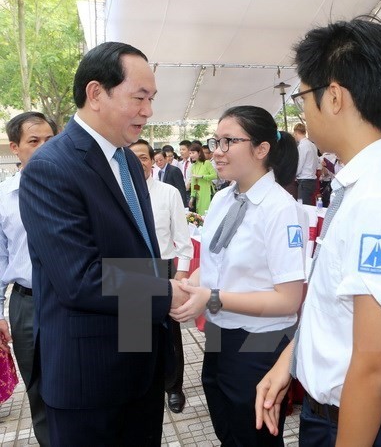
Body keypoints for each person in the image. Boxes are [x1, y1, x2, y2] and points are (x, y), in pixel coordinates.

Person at [256, 17, 381, 447]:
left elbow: (375, 366)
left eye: (304, 95)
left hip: (364, 428)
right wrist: (293, 358)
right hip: (346, 418)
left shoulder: (380, 201)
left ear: (335, 96)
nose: (303, 108)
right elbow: (341, 312)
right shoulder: (363, 186)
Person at [18, 41, 188, 446]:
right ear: (96, 93)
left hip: (139, 365)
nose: (148, 111)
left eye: (152, 99)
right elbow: (79, 279)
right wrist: (166, 293)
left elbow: (136, 253)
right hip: (88, 380)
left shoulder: (129, 160)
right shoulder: (51, 167)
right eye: (139, 97)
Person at [170, 105, 307, 447]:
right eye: (216, 140)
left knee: (253, 432)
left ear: (262, 149)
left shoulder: (281, 209)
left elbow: (289, 299)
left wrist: (212, 298)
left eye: (229, 141)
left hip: (259, 338)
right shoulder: (222, 199)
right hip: (220, 330)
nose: (217, 150)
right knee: (224, 416)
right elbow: (216, 262)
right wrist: (189, 285)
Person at [0, 111, 56, 447]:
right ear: (15, 148)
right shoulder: (4, 197)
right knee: (38, 389)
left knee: (77, 380)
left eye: (50, 140)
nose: (44, 148)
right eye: (34, 141)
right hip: (26, 303)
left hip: (70, 298)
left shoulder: (74, 186)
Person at [129, 139, 194, 414]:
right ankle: (142, 386)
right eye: (133, 158)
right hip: (130, 270)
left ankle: (174, 387)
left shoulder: (168, 193)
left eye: (144, 157)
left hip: (163, 270)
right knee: (135, 336)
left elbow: (184, 240)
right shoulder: (117, 194)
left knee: (169, 335)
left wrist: (180, 276)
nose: (139, 163)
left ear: (153, 160)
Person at [293, 122, 319, 205]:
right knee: (309, 205)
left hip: (305, 181)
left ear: (296, 133)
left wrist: (294, 175)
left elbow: (299, 164)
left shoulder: (302, 146)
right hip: (312, 179)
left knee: (304, 207)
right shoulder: (312, 145)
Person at [189, 143, 217, 214]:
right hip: (199, 195)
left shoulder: (206, 163)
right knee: (199, 216)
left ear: (199, 153)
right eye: (190, 153)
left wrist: (202, 176)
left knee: (207, 214)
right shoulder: (193, 166)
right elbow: (194, 183)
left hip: (207, 192)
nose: (191, 155)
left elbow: (214, 176)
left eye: (193, 153)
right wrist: (192, 197)